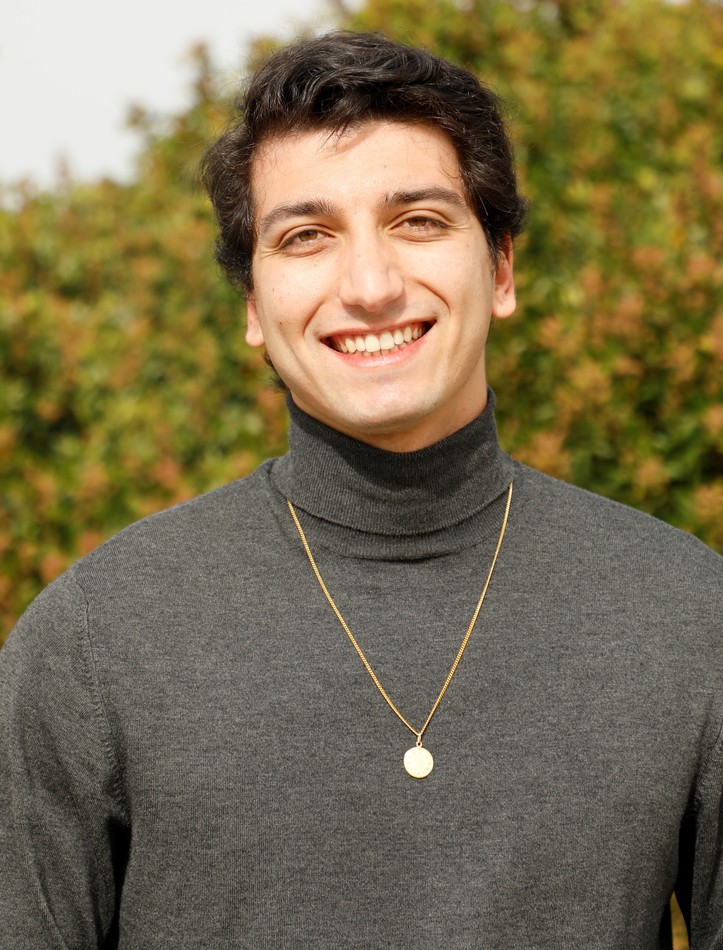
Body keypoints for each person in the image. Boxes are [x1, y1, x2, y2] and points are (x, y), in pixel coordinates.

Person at [1, 29, 721, 950]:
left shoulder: (686, 616)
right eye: (306, 237)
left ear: (500, 267)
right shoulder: (91, 644)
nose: (371, 285)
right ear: (253, 305)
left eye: (417, 221)